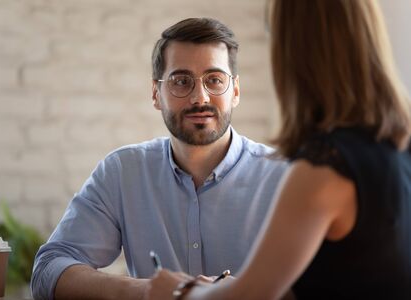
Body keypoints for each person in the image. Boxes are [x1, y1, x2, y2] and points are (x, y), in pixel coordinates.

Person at [147, 1, 411, 299]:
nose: (200, 97)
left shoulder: (324, 167)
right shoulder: (398, 145)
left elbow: (252, 296)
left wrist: (179, 291)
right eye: (182, 81)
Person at [30, 17, 288, 300]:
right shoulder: (122, 172)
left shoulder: (283, 176)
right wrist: (147, 290)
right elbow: (48, 270)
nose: (199, 97)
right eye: (181, 81)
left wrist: (240, 293)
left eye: (214, 80)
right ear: (156, 94)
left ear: (235, 91)